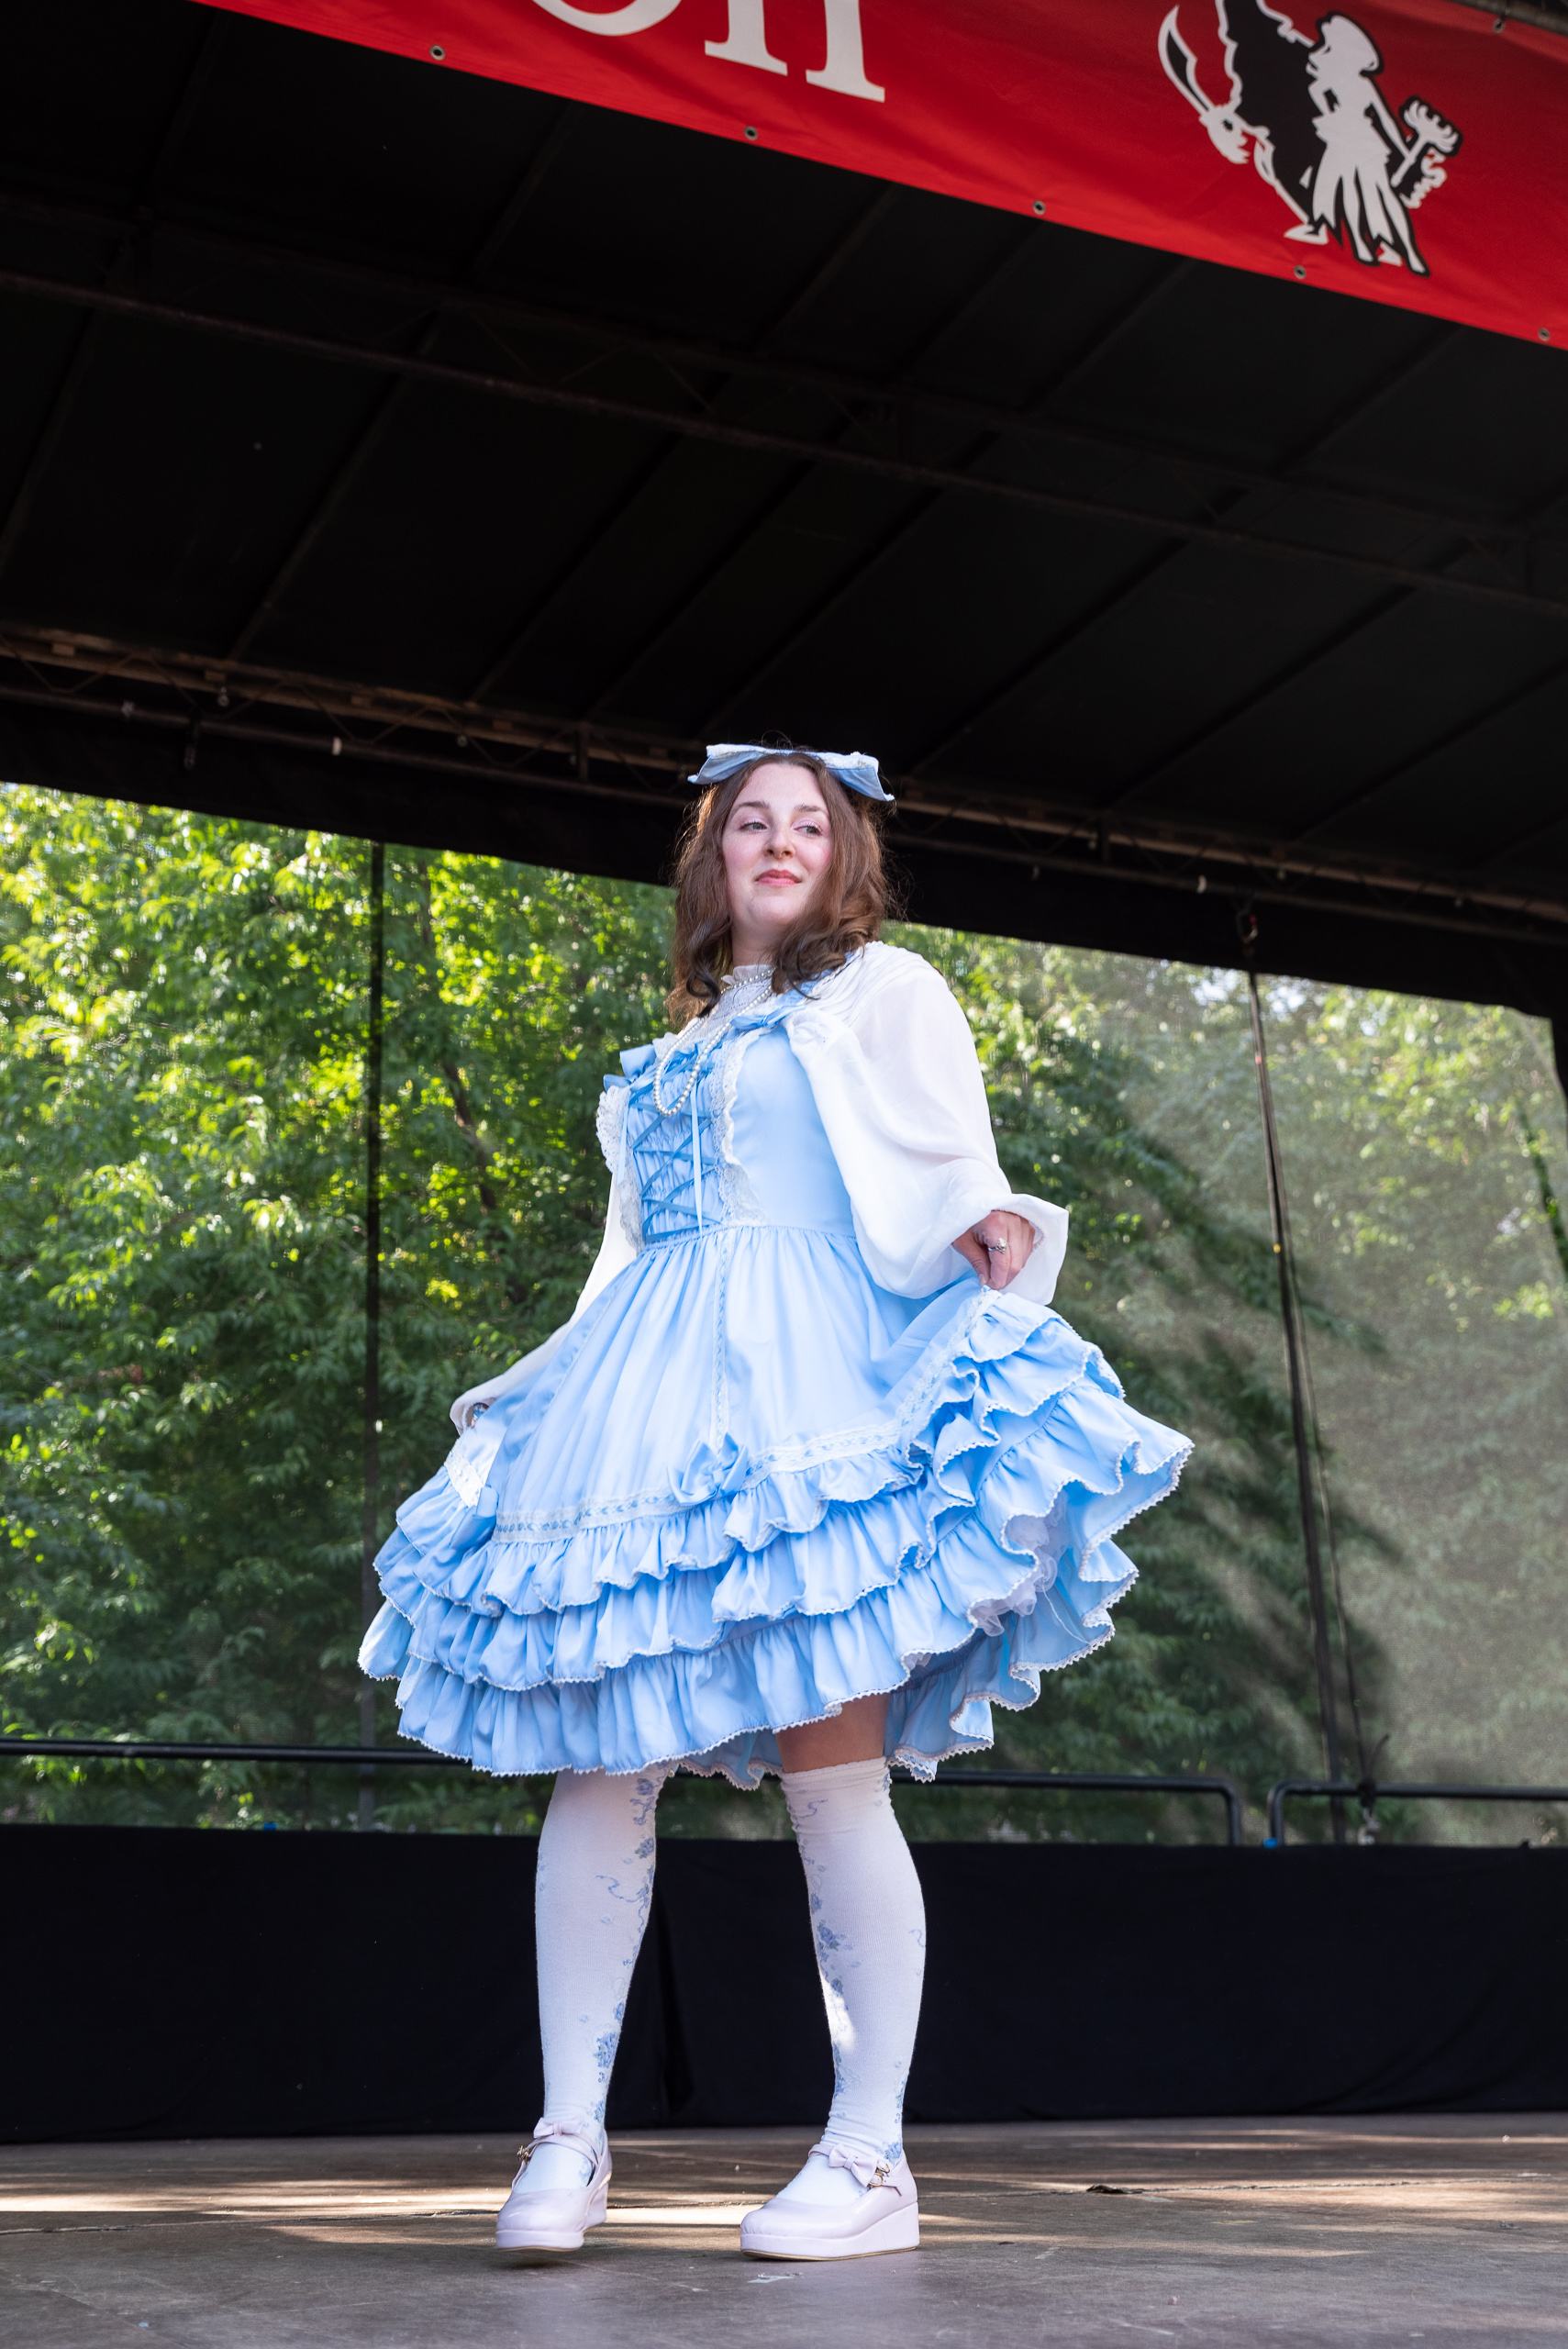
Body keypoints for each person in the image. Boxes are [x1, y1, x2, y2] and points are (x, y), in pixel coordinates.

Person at [360, 742, 1190, 2262]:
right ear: (714, 852)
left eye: (811, 822)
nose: (780, 840)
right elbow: (626, 1256)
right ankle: (566, 2143)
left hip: (815, 1386)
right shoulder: (674, 1044)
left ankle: (869, 2159)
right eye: (752, 820)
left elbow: (945, 1163)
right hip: (648, 1397)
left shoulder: (885, 989)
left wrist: (985, 1222)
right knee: (599, 1756)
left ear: (844, 855)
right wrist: (545, 1396)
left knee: (832, 1762)